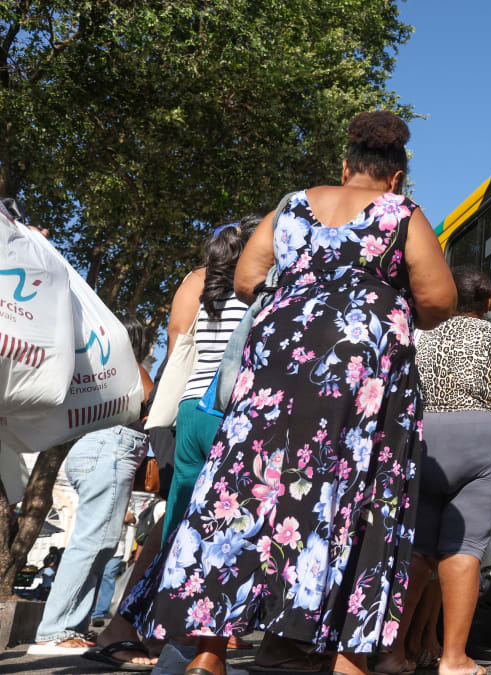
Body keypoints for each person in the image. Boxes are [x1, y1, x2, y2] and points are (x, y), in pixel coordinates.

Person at [120, 110, 456, 675]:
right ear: (396, 177)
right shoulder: (403, 214)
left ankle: (207, 654)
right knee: (357, 495)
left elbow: (249, 279)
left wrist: (306, 284)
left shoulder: (292, 204)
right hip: (359, 379)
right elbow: (439, 301)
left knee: (246, 487)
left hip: (278, 366)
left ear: (344, 167)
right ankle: (347, 660)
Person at [405, 265, 491, 675]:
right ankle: (454, 658)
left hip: (426, 442)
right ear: (484, 302)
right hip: (485, 443)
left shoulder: (420, 335)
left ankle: (393, 652)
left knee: (419, 549)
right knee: (465, 546)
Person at [27, 317, 154, 655]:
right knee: (94, 541)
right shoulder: (128, 370)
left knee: (98, 542)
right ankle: (54, 631)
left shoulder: (92, 371)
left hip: (94, 450)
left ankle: (71, 627)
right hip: (110, 451)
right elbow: (154, 405)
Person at [160, 215, 261, 542]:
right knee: (221, 518)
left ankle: (158, 584)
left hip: (190, 407)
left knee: (178, 510)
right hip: (226, 406)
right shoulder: (259, 294)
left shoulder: (211, 289)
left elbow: (178, 336)